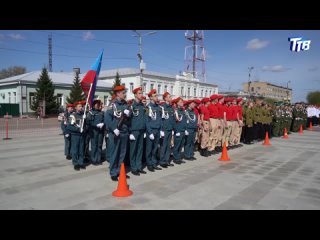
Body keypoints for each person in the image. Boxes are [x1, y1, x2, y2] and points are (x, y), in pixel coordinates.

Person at [105, 85, 131, 181]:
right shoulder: (112, 105)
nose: (125, 94)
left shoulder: (125, 104)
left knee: (122, 153)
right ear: (118, 94)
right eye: (123, 93)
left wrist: (129, 114)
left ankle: (120, 171)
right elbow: (107, 119)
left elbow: (128, 118)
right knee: (114, 153)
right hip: (115, 132)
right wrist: (113, 128)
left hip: (124, 131)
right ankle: (113, 172)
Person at [129, 87, 147, 176]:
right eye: (139, 93)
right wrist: (130, 132)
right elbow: (128, 120)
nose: (141, 95)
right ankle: (133, 167)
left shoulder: (142, 106)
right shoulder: (132, 106)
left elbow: (145, 119)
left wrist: (144, 130)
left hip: (141, 130)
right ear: (135, 94)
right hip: (134, 131)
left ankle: (139, 167)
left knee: (140, 149)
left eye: (141, 93)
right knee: (133, 150)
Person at [145, 89, 163, 172]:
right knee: (149, 148)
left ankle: (154, 163)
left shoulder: (158, 107)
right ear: (151, 98)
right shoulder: (148, 107)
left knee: (155, 148)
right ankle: (149, 164)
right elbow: (147, 121)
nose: (157, 97)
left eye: (157, 96)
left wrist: (161, 129)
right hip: (151, 131)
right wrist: (150, 132)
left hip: (157, 130)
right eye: (155, 96)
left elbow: (160, 119)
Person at [67, 101, 87, 171]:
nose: (81, 107)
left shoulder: (83, 115)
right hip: (75, 135)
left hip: (82, 135)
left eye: (81, 106)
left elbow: (86, 125)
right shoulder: (73, 115)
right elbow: (69, 127)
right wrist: (78, 130)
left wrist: (84, 128)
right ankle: (75, 163)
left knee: (81, 149)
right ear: (75, 108)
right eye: (79, 106)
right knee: (75, 150)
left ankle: (81, 162)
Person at [159, 92, 175, 168]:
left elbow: (172, 119)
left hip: (169, 129)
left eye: (170, 96)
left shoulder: (171, 108)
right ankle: (162, 161)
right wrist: (161, 130)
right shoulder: (162, 107)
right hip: (164, 129)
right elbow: (160, 119)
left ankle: (167, 160)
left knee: (168, 146)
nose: (171, 98)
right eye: (169, 97)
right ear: (165, 98)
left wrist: (172, 129)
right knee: (163, 146)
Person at [87, 99, 104, 165]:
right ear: (94, 105)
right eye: (97, 104)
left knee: (99, 145)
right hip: (93, 131)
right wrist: (95, 125)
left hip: (100, 131)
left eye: (99, 104)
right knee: (94, 145)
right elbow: (88, 122)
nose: (98, 105)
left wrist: (103, 123)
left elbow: (104, 120)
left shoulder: (101, 112)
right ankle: (94, 159)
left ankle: (98, 159)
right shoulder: (90, 113)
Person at [172, 97, 187, 164]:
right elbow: (174, 122)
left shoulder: (183, 111)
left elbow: (184, 121)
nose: (182, 103)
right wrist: (176, 131)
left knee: (181, 145)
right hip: (178, 131)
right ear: (177, 103)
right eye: (181, 102)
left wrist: (185, 129)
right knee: (177, 145)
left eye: (182, 102)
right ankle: (176, 158)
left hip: (183, 130)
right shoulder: (176, 111)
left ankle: (179, 157)